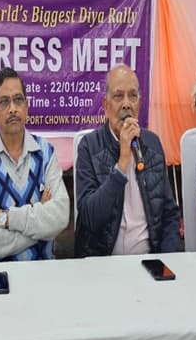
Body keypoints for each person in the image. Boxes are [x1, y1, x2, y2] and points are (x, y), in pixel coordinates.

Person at [74, 64, 180, 257]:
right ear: (106, 106)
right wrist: (122, 163)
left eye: (132, 96)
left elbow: (169, 214)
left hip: (149, 260)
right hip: (103, 263)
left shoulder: (152, 143)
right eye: (118, 96)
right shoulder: (89, 147)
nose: (126, 104)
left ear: (139, 104)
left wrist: (166, 260)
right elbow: (89, 218)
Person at [0, 67, 69, 262]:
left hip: (43, 272)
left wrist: (6, 218)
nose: (13, 108)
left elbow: (61, 215)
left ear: (27, 106)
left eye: (18, 100)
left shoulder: (46, 153)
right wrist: (40, 226)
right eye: (4, 102)